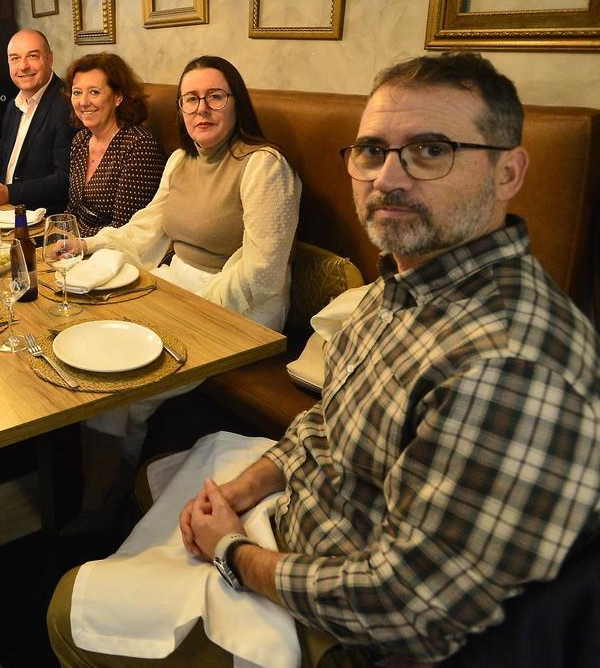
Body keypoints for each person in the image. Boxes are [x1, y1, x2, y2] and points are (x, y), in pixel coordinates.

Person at [48, 52, 600, 666]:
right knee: (158, 489)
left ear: (508, 172)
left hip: (340, 624)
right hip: (304, 518)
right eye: (372, 150)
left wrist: (232, 551)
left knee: (70, 612)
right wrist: (244, 488)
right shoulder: (399, 290)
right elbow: (328, 422)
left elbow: (405, 607)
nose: (389, 177)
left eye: (432, 150)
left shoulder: (511, 364)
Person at [64, 56, 300, 529]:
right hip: (179, 286)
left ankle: (107, 506)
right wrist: (85, 244)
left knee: (127, 386)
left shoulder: (262, 166)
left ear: (237, 104)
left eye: (215, 97)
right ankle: (105, 491)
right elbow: (147, 230)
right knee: (98, 356)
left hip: (242, 310)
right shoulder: (181, 159)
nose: (202, 109)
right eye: (191, 99)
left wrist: (192, 314)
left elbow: (262, 272)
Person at [0, 29, 73, 211]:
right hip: (5, 211)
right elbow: (2, 159)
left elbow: (65, 179)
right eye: (15, 58)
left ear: (50, 58)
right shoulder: (14, 104)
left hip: (41, 217)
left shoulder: (66, 104)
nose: (23, 66)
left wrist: (10, 193)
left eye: (32, 56)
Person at [63, 52, 166, 236]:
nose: (83, 102)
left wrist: (75, 240)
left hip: (115, 252)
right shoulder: (80, 140)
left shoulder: (138, 146)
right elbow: (73, 210)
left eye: (94, 92)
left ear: (118, 96)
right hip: (77, 247)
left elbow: (124, 228)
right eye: (77, 92)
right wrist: (56, 234)